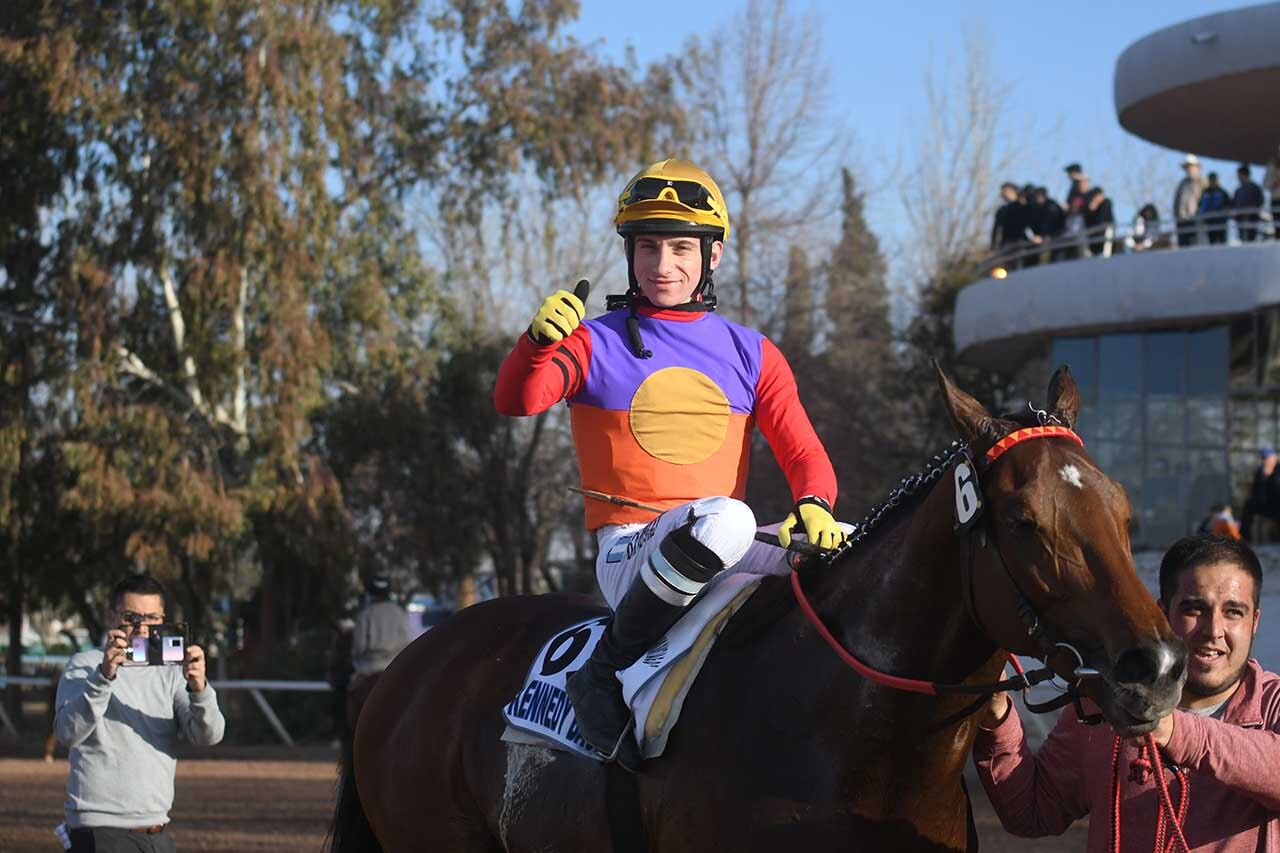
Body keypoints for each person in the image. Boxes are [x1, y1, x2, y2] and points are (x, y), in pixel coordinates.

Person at [493, 158, 844, 768]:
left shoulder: (752, 352)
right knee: (730, 519)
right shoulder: (593, 340)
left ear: (713, 256)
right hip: (632, 553)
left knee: (861, 553)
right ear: (630, 255)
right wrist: (537, 343)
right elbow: (516, 400)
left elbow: (804, 449)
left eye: (681, 247)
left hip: (717, 542)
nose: (663, 266)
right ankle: (604, 675)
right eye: (648, 247)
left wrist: (815, 506)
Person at [974, 534, 1280, 852]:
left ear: (1254, 622)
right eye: (1194, 609)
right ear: (1162, 614)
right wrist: (997, 718)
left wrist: (1174, 731)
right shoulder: (1106, 703)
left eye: (1233, 612)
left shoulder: (1273, 702)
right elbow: (1032, 813)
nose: (1213, 630)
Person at [54, 573, 224, 852]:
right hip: (99, 830)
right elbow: (66, 733)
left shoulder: (171, 672)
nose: (142, 629)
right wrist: (103, 677)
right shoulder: (85, 665)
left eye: (152, 619)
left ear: (164, 618)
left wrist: (200, 689)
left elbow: (209, 735)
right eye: (132, 618)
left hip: (157, 831)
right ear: (112, 617)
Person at [351, 573, 409, 678]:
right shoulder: (399, 612)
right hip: (394, 666)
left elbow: (359, 645)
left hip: (369, 667)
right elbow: (406, 640)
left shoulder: (365, 614)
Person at [1241, 445, 1280, 543]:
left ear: (1274, 458)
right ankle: (1245, 538)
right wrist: (1264, 477)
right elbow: (1255, 490)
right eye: (1264, 458)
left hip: (1277, 503)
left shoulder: (1278, 470)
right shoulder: (1260, 472)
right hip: (1264, 504)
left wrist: (1269, 477)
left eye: (1268, 458)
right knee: (1249, 505)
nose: (1266, 461)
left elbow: (1277, 488)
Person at [991, 182, 1027, 265]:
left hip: (1022, 241)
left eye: (1006, 191)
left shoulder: (1024, 206)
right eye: (1003, 192)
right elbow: (996, 230)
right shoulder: (1002, 211)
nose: (1003, 194)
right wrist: (993, 247)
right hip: (1007, 243)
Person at [1174, 153, 1206, 246]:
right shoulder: (1182, 184)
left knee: (1195, 244)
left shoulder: (1202, 181)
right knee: (1183, 245)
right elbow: (1177, 203)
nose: (1189, 169)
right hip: (1182, 220)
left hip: (1195, 219)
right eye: (1187, 167)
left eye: (1190, 166)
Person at [1233, 164, 1265, 242]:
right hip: (1240, 218)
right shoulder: (1238, 190)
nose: (1238, 178)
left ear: (1245, 175)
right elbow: (1234, 203)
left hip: (1252, 217)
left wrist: (1251, 210)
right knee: (1242, 238)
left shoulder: (1254, 187)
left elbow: (1260, 201)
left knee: (1251, 238)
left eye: (1239, 175)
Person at [1200, 172, 1231, 245]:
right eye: (1211, 180)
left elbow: (1228, 205)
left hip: (1221, 222)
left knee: (1223, 243)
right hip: (1209, 222)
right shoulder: (1205, 192)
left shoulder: (1222, 192)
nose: (1212, 181)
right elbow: (1201, 205)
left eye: (1214, 179)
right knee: (1212, 242)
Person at [1083, 186, 1115, 257]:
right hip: (1094, 238)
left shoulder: (1106, 203)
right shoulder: (1090, 208)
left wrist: (1094, 209)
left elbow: (1101, 219)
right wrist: (1090, 211)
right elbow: (1088, 222)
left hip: (1105, 233)